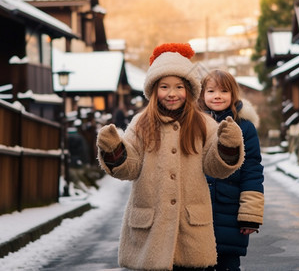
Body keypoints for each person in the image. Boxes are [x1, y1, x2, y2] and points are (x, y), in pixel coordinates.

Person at [96, 43, 245, 271]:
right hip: (149, 232)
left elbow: (216, 167)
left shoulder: (204, 124)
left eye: (178, 87)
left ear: (190, 89)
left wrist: (229, 145)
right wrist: (114, 150)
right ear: (154, 90)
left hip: (190, 232)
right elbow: (131, 168)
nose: (172, 93)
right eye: (164, 86)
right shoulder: (141, 123)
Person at [198, 69, 264, 271]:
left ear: (233, 94)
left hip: (230, 207)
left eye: (224, 91)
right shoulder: (194, 125)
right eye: (210, 91)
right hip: (196, 208)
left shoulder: (245, 128)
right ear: (201, 95)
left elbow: (252, 170)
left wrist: (250, 215)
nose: (217, 96)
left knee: (227, 264)